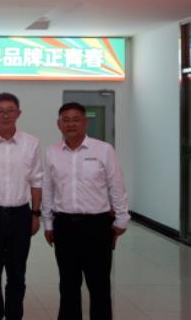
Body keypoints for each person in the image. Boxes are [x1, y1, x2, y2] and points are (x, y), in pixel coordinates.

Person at [42, 102, 130, 320]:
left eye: (76, 119)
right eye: (66, 120)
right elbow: (48, 189)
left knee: (99, 284)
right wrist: (48, 223)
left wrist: (122, 219)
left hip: (97, 226)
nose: (71, 124)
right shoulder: (52, 152)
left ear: (85, 122)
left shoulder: (103, 150)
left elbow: (116, 186)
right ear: (59, 124)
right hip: (64, 225)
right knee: (68, 284)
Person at [0, 92, 43, 320]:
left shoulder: (31, 143)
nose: (5, 115)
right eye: (0, 111)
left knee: (17, 273)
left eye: (10, 110)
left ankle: (14, 315)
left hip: (21, 216)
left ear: (18, 113)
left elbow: (36, 181)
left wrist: (35, 214)